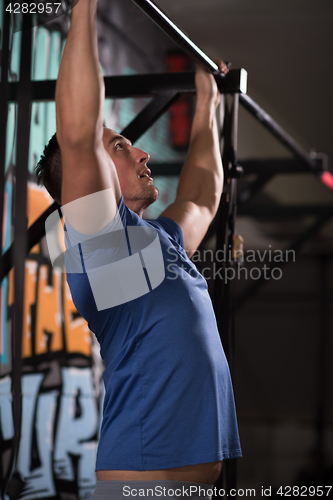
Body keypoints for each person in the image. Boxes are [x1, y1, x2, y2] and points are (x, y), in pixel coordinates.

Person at [36, 0, 242, 498]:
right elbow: (79, 134)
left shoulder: (161, 241)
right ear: (91, 178)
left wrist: (206, 104)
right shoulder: (100, 244)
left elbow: (202, 196)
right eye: (122, 147)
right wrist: (85, 7)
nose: (143, 152)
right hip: (142, 483)